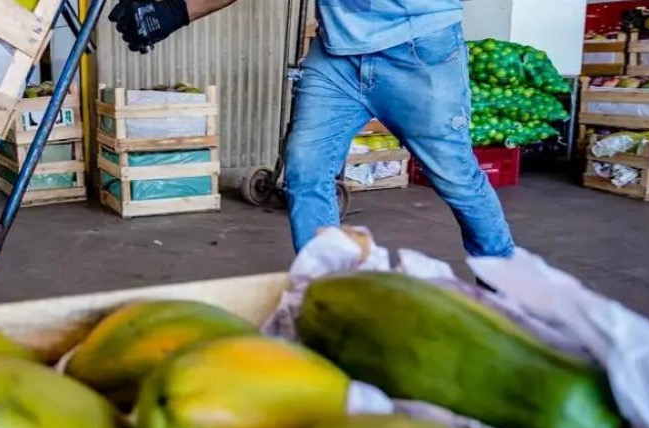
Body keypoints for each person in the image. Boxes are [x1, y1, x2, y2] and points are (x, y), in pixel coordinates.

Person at [108, 0, 515, 258]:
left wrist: (179, 9)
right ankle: (327, 288)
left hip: (417, 49)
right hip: (337, 54)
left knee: (456, 178)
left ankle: (508, 286)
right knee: (305, 171)